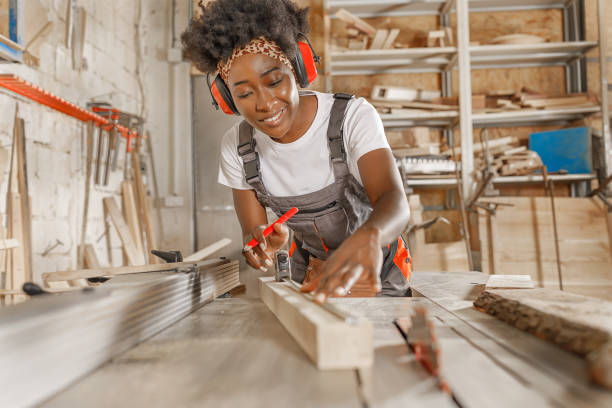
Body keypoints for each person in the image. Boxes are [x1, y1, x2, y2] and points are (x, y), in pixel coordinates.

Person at [182, 0, 412, 302]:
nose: (264, 103)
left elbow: (394, 202)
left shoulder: (351, 117)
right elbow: (253, 234)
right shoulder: (238, 147)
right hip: (314, 274)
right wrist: (261, 244)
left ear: (297, 67)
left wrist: (370, 237)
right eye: (244, 93)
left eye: (274, 81)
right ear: (226, 99)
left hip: (379, 271)